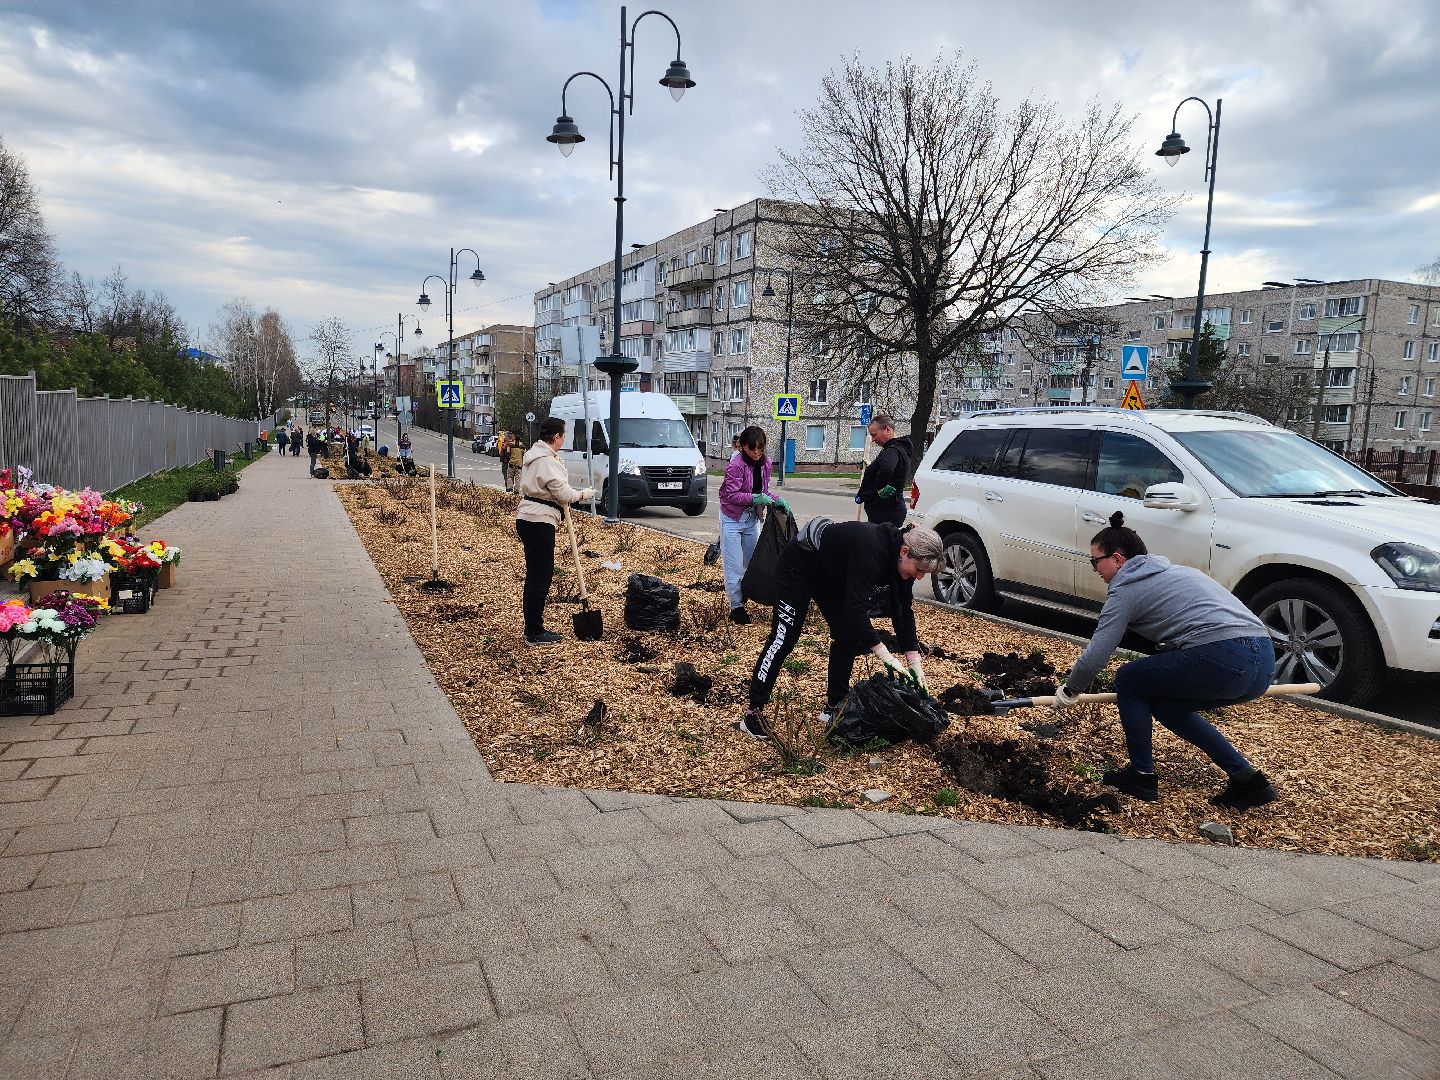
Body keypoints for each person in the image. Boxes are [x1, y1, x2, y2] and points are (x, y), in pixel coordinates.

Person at [1055, 511, 1279, 811]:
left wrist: (1070, 690)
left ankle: (1141, 776)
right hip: (1263, 661)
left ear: (1118, 559)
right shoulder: (1181, 573)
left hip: (1222, 656)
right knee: (1168, 707)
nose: (1094, 568)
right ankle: (1249, 781)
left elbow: (1098, 654)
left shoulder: (1125, 589)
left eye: (1095, 561)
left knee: (1129, 680)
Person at [739, 521, 943, 738]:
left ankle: (833, 705)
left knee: (847, 636)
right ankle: (753, 712)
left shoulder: (903, 564)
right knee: (784, 638)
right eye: (919, 570)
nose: (920, 577)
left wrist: (914, 661)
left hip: (830, 576)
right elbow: (856, 610)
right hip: (798, 568)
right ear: (904, 552)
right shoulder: (872, 550)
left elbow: (903, 610)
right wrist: (884, 654)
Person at [514, 417, 595, 646]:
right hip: (538, 521)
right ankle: (534, 631)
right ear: (557, 437)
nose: (564, 439)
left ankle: (532, 626)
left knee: (534, 576)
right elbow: (563, 493)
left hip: (529, 518)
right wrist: (581, 495)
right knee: (541, 576)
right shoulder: (546, 460)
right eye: (563, 435)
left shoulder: (536, 456)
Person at [718, 425, 789, 625]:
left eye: (760, 448)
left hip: (752, 519)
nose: (757, 453)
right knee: (733, 565)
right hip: (732, 519)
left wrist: (776, 499)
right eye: (752, 448)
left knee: (753, 563)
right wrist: (755, 498)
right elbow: (731, 495)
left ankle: (746, 591)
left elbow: (764, 491)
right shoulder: (735, 466)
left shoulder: (765, 463)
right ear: (742, 447)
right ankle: (736, 607)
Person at [854, 413, 913, 526]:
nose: (873, 439)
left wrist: (880, 488)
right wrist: (869, 466)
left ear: (887, 430)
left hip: (885, 513)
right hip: (888, 511)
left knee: (880, 543)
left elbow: (887, 469)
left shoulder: (892, 450)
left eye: (874, 435)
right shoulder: (898, 448)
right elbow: (885, 467)